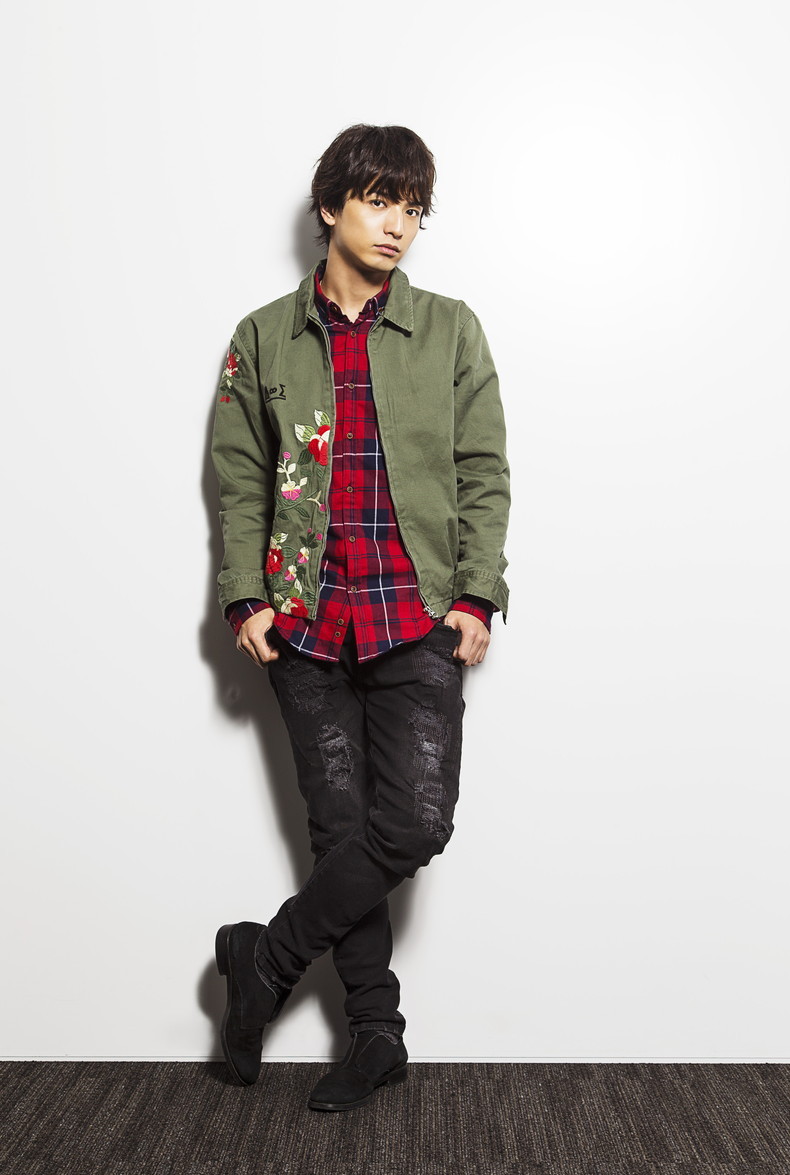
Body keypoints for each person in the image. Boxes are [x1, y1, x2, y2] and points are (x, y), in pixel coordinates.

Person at [210, 123, 511, 1112]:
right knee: (341, 831)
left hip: (415, 615)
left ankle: (263, 958)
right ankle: (376, 1033)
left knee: (415, 821)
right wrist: (245, 598)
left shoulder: (450, 330)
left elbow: (483, 472)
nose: (398, 225)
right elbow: (239, 479)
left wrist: (477, 594)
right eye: (381, 201)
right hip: (304, 621)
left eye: (413, 209)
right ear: (332, 205)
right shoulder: (264, 336)